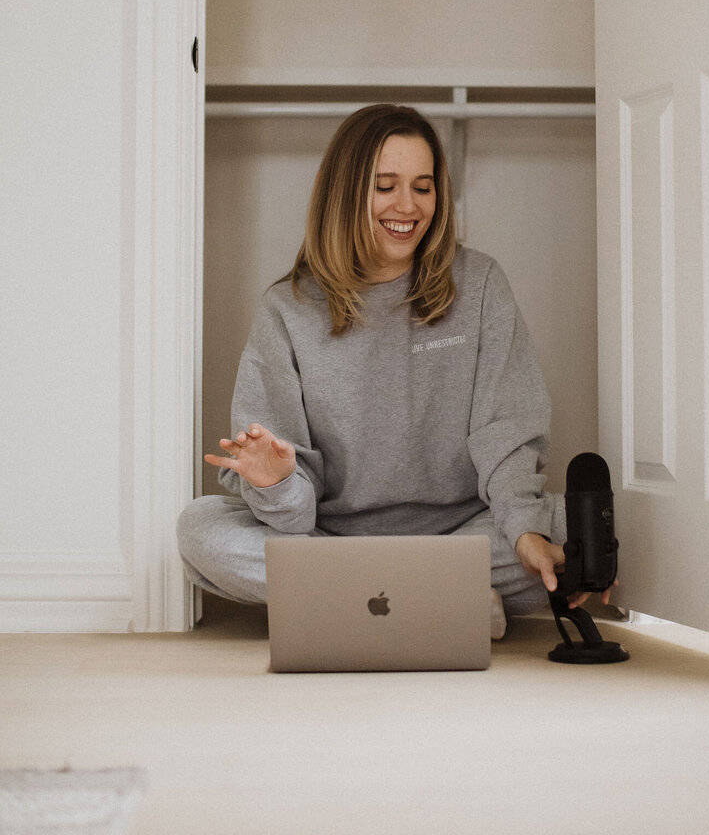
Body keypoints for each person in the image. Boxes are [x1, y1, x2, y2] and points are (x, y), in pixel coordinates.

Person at [177, 104, 611, 639]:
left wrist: (524, 533)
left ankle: (349, 603)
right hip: (327, 536)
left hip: (461, 532)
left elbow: (507, 432)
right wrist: (279, 482)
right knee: (201, 529)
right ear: (345, 192)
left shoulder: (478, 285)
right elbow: (289, 516)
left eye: (423, 187)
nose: (408, 206)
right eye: (385, 186)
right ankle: (448, 603)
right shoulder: (287, 310)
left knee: (583, 529)